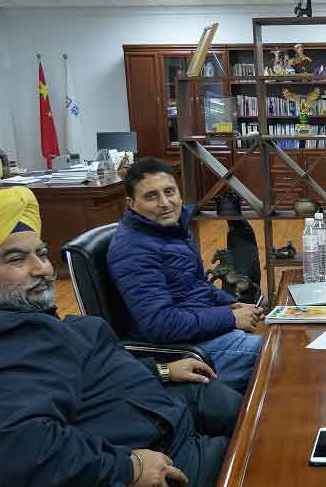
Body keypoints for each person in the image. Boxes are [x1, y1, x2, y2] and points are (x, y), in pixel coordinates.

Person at [0, 187, 243, 487]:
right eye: (16, 260)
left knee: (248, 413)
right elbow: (24, 451)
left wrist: (160, 372)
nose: (42, 269)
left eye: (41, 253)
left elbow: (77, 374)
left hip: (143, 421)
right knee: (261, 455)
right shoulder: (5, 342)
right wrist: (127, 468)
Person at [107, 158, 263, 394]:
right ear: (131, 203)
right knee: (282, 353)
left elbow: (196, 285)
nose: (165, 203)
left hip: (202, 330)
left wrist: (231, 304)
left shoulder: (171, 229)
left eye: (169, 192)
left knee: (290, 339)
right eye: (151, 196)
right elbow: (160, 324)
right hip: (182, 351)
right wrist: (230, 317)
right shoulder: (133, 250)